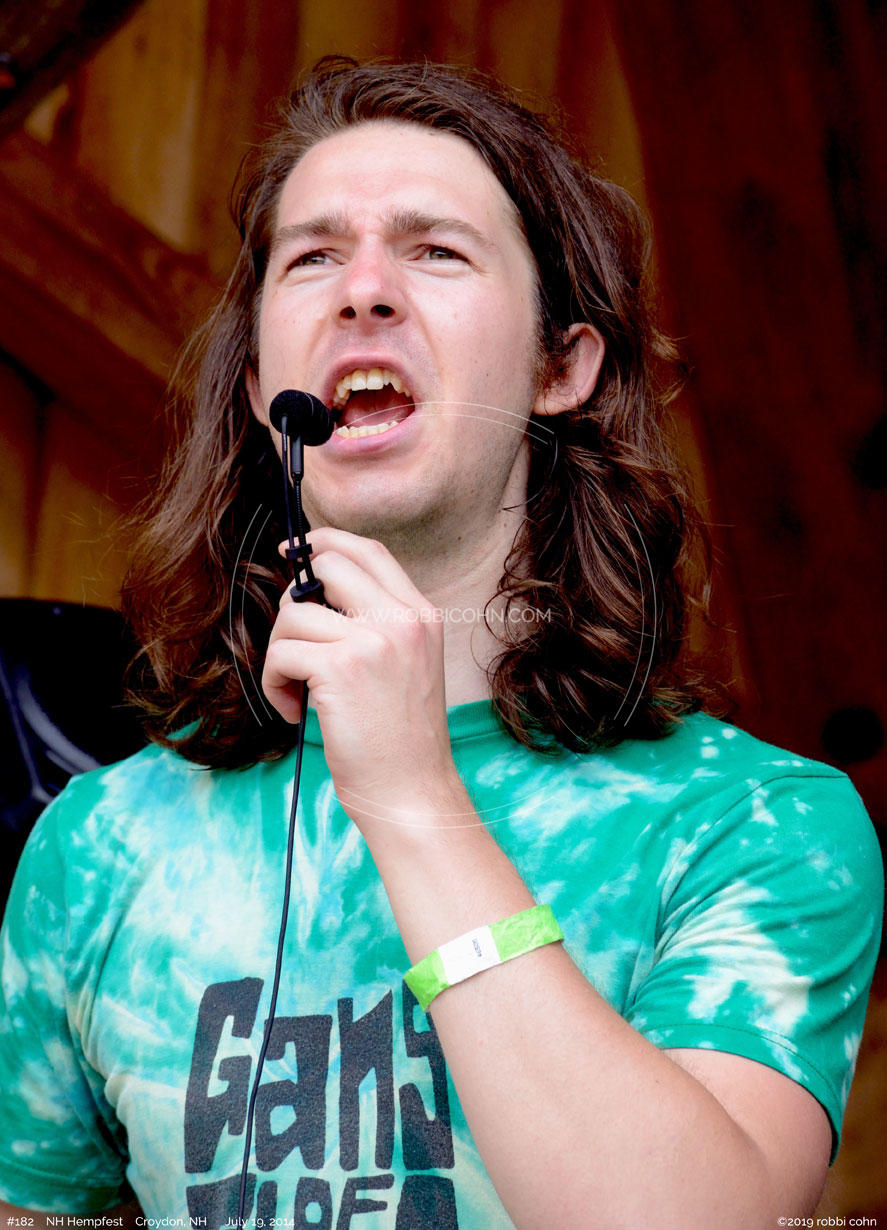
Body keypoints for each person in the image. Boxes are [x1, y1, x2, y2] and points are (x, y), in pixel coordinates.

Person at [0, 57, 881, 1228]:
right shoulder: (101, 845)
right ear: (261, 385)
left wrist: (412, 799)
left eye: (435, 251)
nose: (363, 290)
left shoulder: (755, 824)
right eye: (312, 257)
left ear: (560, 368)